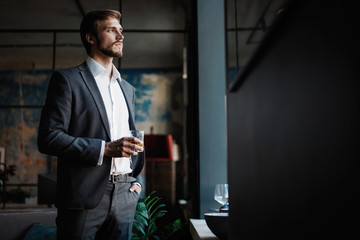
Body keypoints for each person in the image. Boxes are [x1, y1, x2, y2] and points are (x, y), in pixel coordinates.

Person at [37, 9, 145, 240]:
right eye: (111, 30)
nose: (120, 35)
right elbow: (49, 137)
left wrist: (136, 184)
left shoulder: (127, 89)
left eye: (121, 30)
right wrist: (105, 149)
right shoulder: (67, 80)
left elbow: (132, 138)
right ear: (91, 38)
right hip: (84, 195)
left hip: (126, 194)